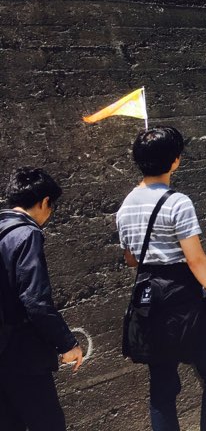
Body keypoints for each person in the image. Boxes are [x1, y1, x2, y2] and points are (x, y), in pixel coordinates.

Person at [116, 127, 206, 431]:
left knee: (162, 387)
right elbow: (195, 258)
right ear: (175, 161)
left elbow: (131, 259)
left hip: (148, 299)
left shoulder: (125, 205)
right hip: (182, 295)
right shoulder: (178, 202)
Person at [0, 168, 84, 431]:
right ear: (44, 202)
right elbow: (35, 300)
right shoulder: (27, 234)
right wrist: (68, 344)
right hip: (22, 354)